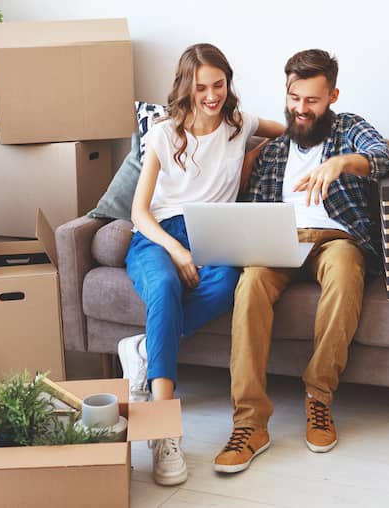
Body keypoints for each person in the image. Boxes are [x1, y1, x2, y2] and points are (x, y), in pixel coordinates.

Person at [213, 49, 389, 473]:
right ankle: (250, 424)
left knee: (347, 272)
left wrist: (341, 164)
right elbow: (250, 210)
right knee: (251, 283)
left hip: (336, 238)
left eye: (312, 101)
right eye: (295, 98)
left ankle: (319, 397)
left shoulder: (348, 128)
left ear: (332, 94)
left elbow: (387, 158)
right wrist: (243, 171)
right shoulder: (274, 151)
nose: (301, 109)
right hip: (280, 238)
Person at [117, 43, 285, 486]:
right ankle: (165, 430)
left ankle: (143, 348)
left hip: (213, 234)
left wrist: (252, 158)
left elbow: (290, 133)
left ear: (228, 83)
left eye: (218, 85)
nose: (211, 95)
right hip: (158, 236)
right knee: (166, 290)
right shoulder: (163, 133)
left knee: (227, 281)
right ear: (186, 88)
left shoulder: (240, 124)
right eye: (201, 88)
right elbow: (139, 214)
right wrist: (178, 251)